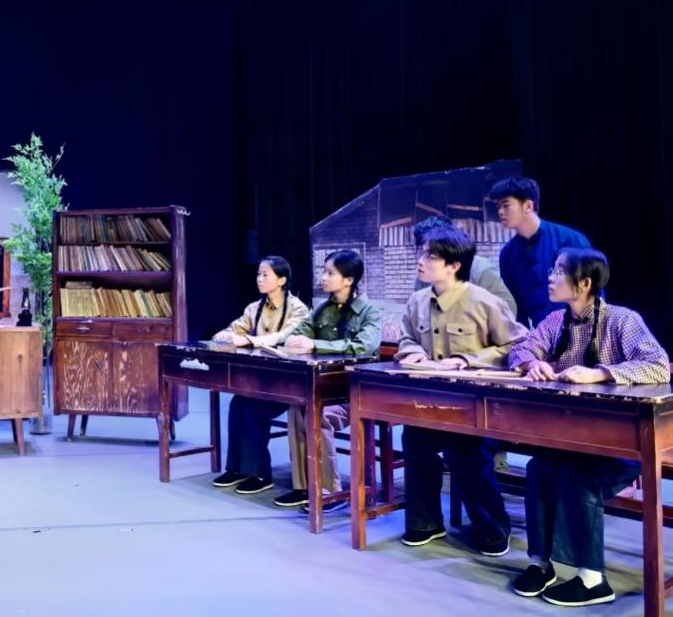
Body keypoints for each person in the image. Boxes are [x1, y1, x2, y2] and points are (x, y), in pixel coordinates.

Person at [508, 248, 669, 607]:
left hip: (623, 444)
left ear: (583, 283)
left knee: (579, 476)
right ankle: (540, 563)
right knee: (539, 467)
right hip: (571, 441)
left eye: (558, 271)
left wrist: (600, 373)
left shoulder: (621, 320)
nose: (550, 277)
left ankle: (593, 579)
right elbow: (519, 350)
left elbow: (659, 365)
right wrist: (532, 364)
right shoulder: (556, 321)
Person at [395, 226, 527, 554]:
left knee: (466, 448)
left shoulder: (484, 302)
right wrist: (412, 350)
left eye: (431, 256)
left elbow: (517, 345)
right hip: (433, 404)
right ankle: (425, 522)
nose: (421, 260)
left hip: (481, 409)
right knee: (414, 438)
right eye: (421, 253)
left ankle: (492, 529)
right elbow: (406, 337)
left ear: (454, 265)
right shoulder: (416, 301)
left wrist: (470, 360)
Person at [273, 250, 381, 511]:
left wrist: (315, 344)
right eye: (324, 271)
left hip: (355, 394)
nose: (323, 277)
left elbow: (362, 347)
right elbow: (298, 332)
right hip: (325, 389)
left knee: (318, 414)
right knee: (297, 407)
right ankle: (304, 487)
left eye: (330, 273)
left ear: (349, 279)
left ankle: (330, 491)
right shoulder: (323, 309)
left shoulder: (370, 311)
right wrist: (294, 340)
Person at [211, 256, 310, 495]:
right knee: (238, 403)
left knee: (252, 408)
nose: (259, 279)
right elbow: (235, 328)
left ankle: (260, 474)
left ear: (282, 280)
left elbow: (284, 337)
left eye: (265, 274)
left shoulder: (297, 308)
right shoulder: (254, 308)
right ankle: (236, 469)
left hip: (289, 383)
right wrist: (224, 335)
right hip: (261, 381)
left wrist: (248, 340)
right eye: (258, 274)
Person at [489, 176, 591, 327]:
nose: (500, 212)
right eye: (498, 207)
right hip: (541, 333)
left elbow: (593, 289)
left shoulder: (571, 240)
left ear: (528, 205)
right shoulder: (507, 254)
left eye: (506, 205)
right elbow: (514, 305)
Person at [411, 215, 516, 317]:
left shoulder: (481, 270)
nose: (422, 260)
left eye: (431, 253)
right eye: (422, 251)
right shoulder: (425, 273)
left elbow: (508, 310)